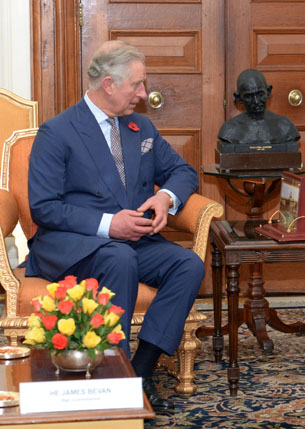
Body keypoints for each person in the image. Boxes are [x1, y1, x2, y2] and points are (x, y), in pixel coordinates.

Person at [26, 40, 204, 413]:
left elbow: (182, 172)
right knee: (119, 258)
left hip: (131, 242)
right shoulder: (56, 132)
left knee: (188, 264)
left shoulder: (141, 127)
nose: (144, 93)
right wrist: (110, 224)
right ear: (108, 84)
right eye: (136, 85)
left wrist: (165, 198)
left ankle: (138, 372)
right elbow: (44, 208)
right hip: (74, 244)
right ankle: (112, 376)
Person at [217, 69, 300, 146]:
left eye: (260, 94)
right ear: (239, 98)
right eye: (249, 96)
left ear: (268, 92)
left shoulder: (285, 126)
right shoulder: (230, 130)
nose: (256, 101)